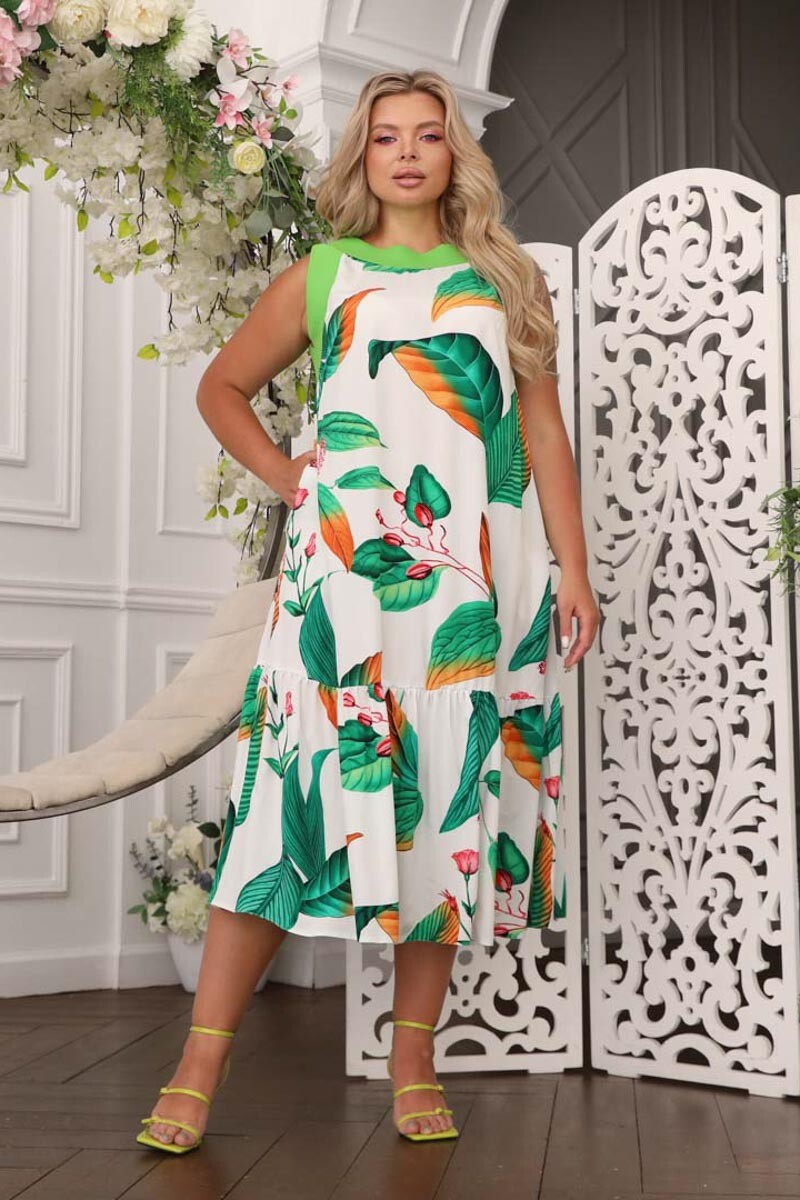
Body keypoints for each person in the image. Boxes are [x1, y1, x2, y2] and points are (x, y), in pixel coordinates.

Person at [137, 67, 600, 1153]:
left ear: (453, 154)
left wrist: (573, 571)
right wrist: (288, 478)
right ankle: (198, 1063)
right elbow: (221, 388)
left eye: (426, 135)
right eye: (385, 137)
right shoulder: (323, 273)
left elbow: (541, 432)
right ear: (362, 156)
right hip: (343, 586)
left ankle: (413, 1059)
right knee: (282, 804)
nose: (405, 154)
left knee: (443, 805)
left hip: (471, 583)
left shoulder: (507, 278)